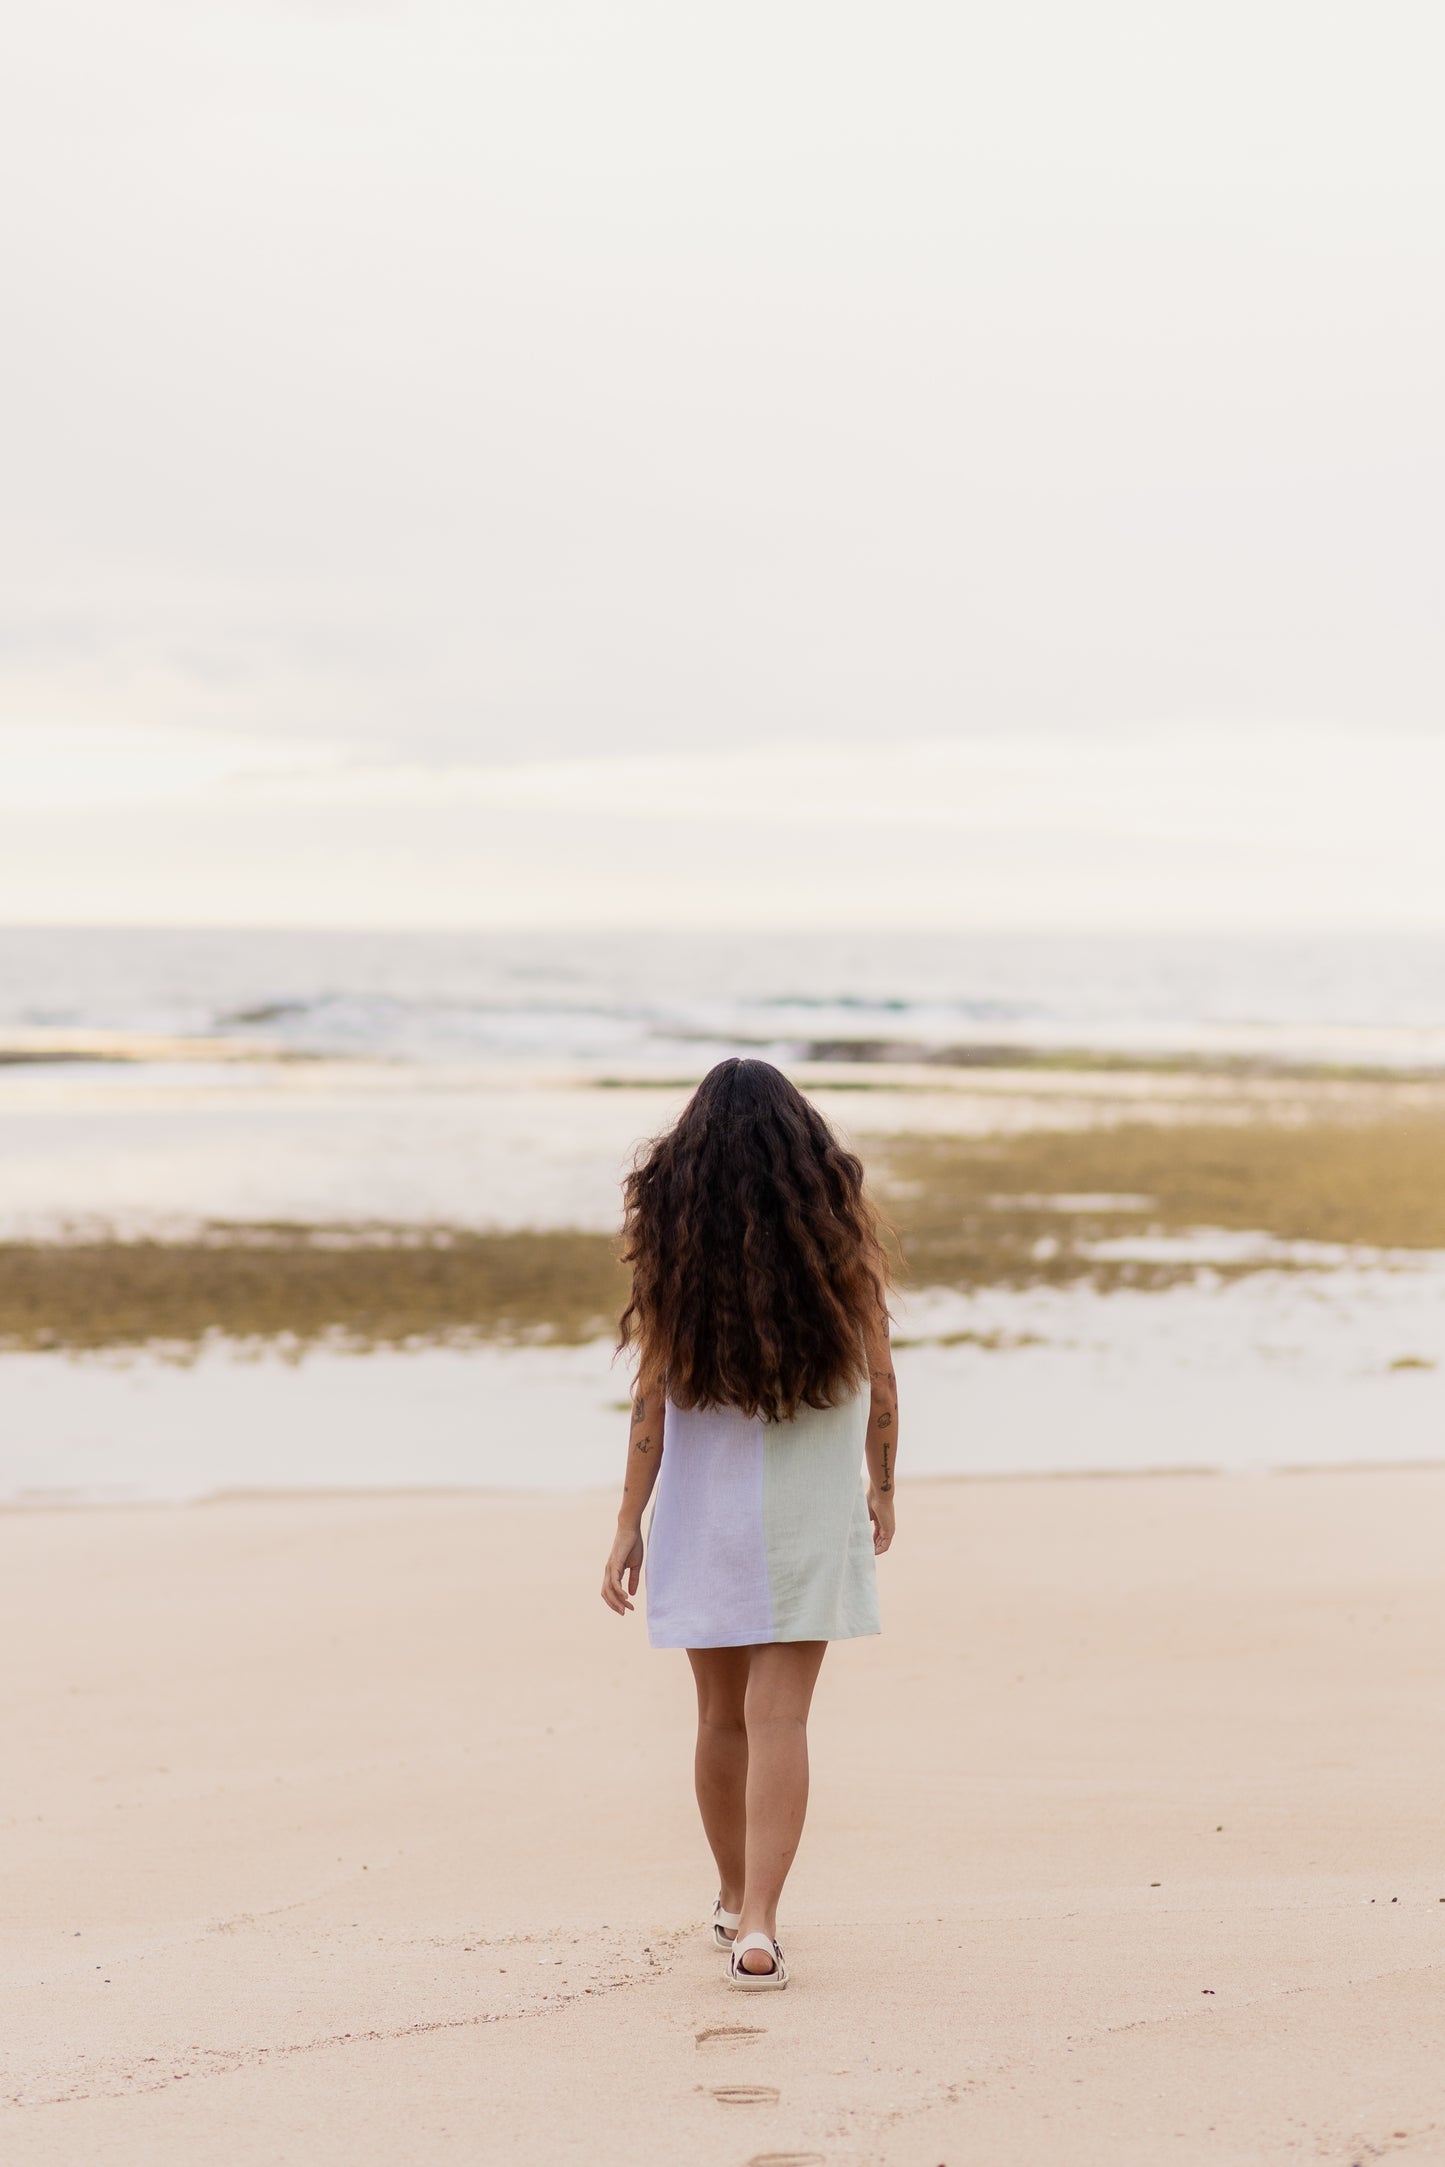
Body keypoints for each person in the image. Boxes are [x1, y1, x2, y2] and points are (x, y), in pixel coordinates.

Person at [600, 1057, 898, 1990]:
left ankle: (731, 1895)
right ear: (808, 1158)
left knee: (719, 1717)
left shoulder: (677, 1260)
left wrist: (627, 1521)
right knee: (781, 1718)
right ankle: (761, 1923)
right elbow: (882, 1385)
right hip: (808, 1513)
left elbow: (649, 1407)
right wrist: (881, 1484)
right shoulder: (841, 1257)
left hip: (703, 1513)